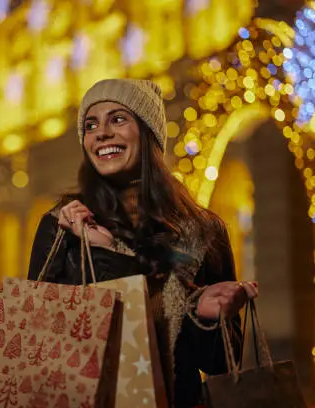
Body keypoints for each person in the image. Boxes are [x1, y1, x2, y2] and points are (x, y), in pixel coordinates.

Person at [27, 78, 258, 407]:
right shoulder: (64, 224)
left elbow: (222, 362)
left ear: (148, 131)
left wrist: (207, 318)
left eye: (118, 119)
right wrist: (106, 254)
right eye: (91, 125)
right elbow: (41, 338)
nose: (102, 133)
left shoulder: (203, 230)